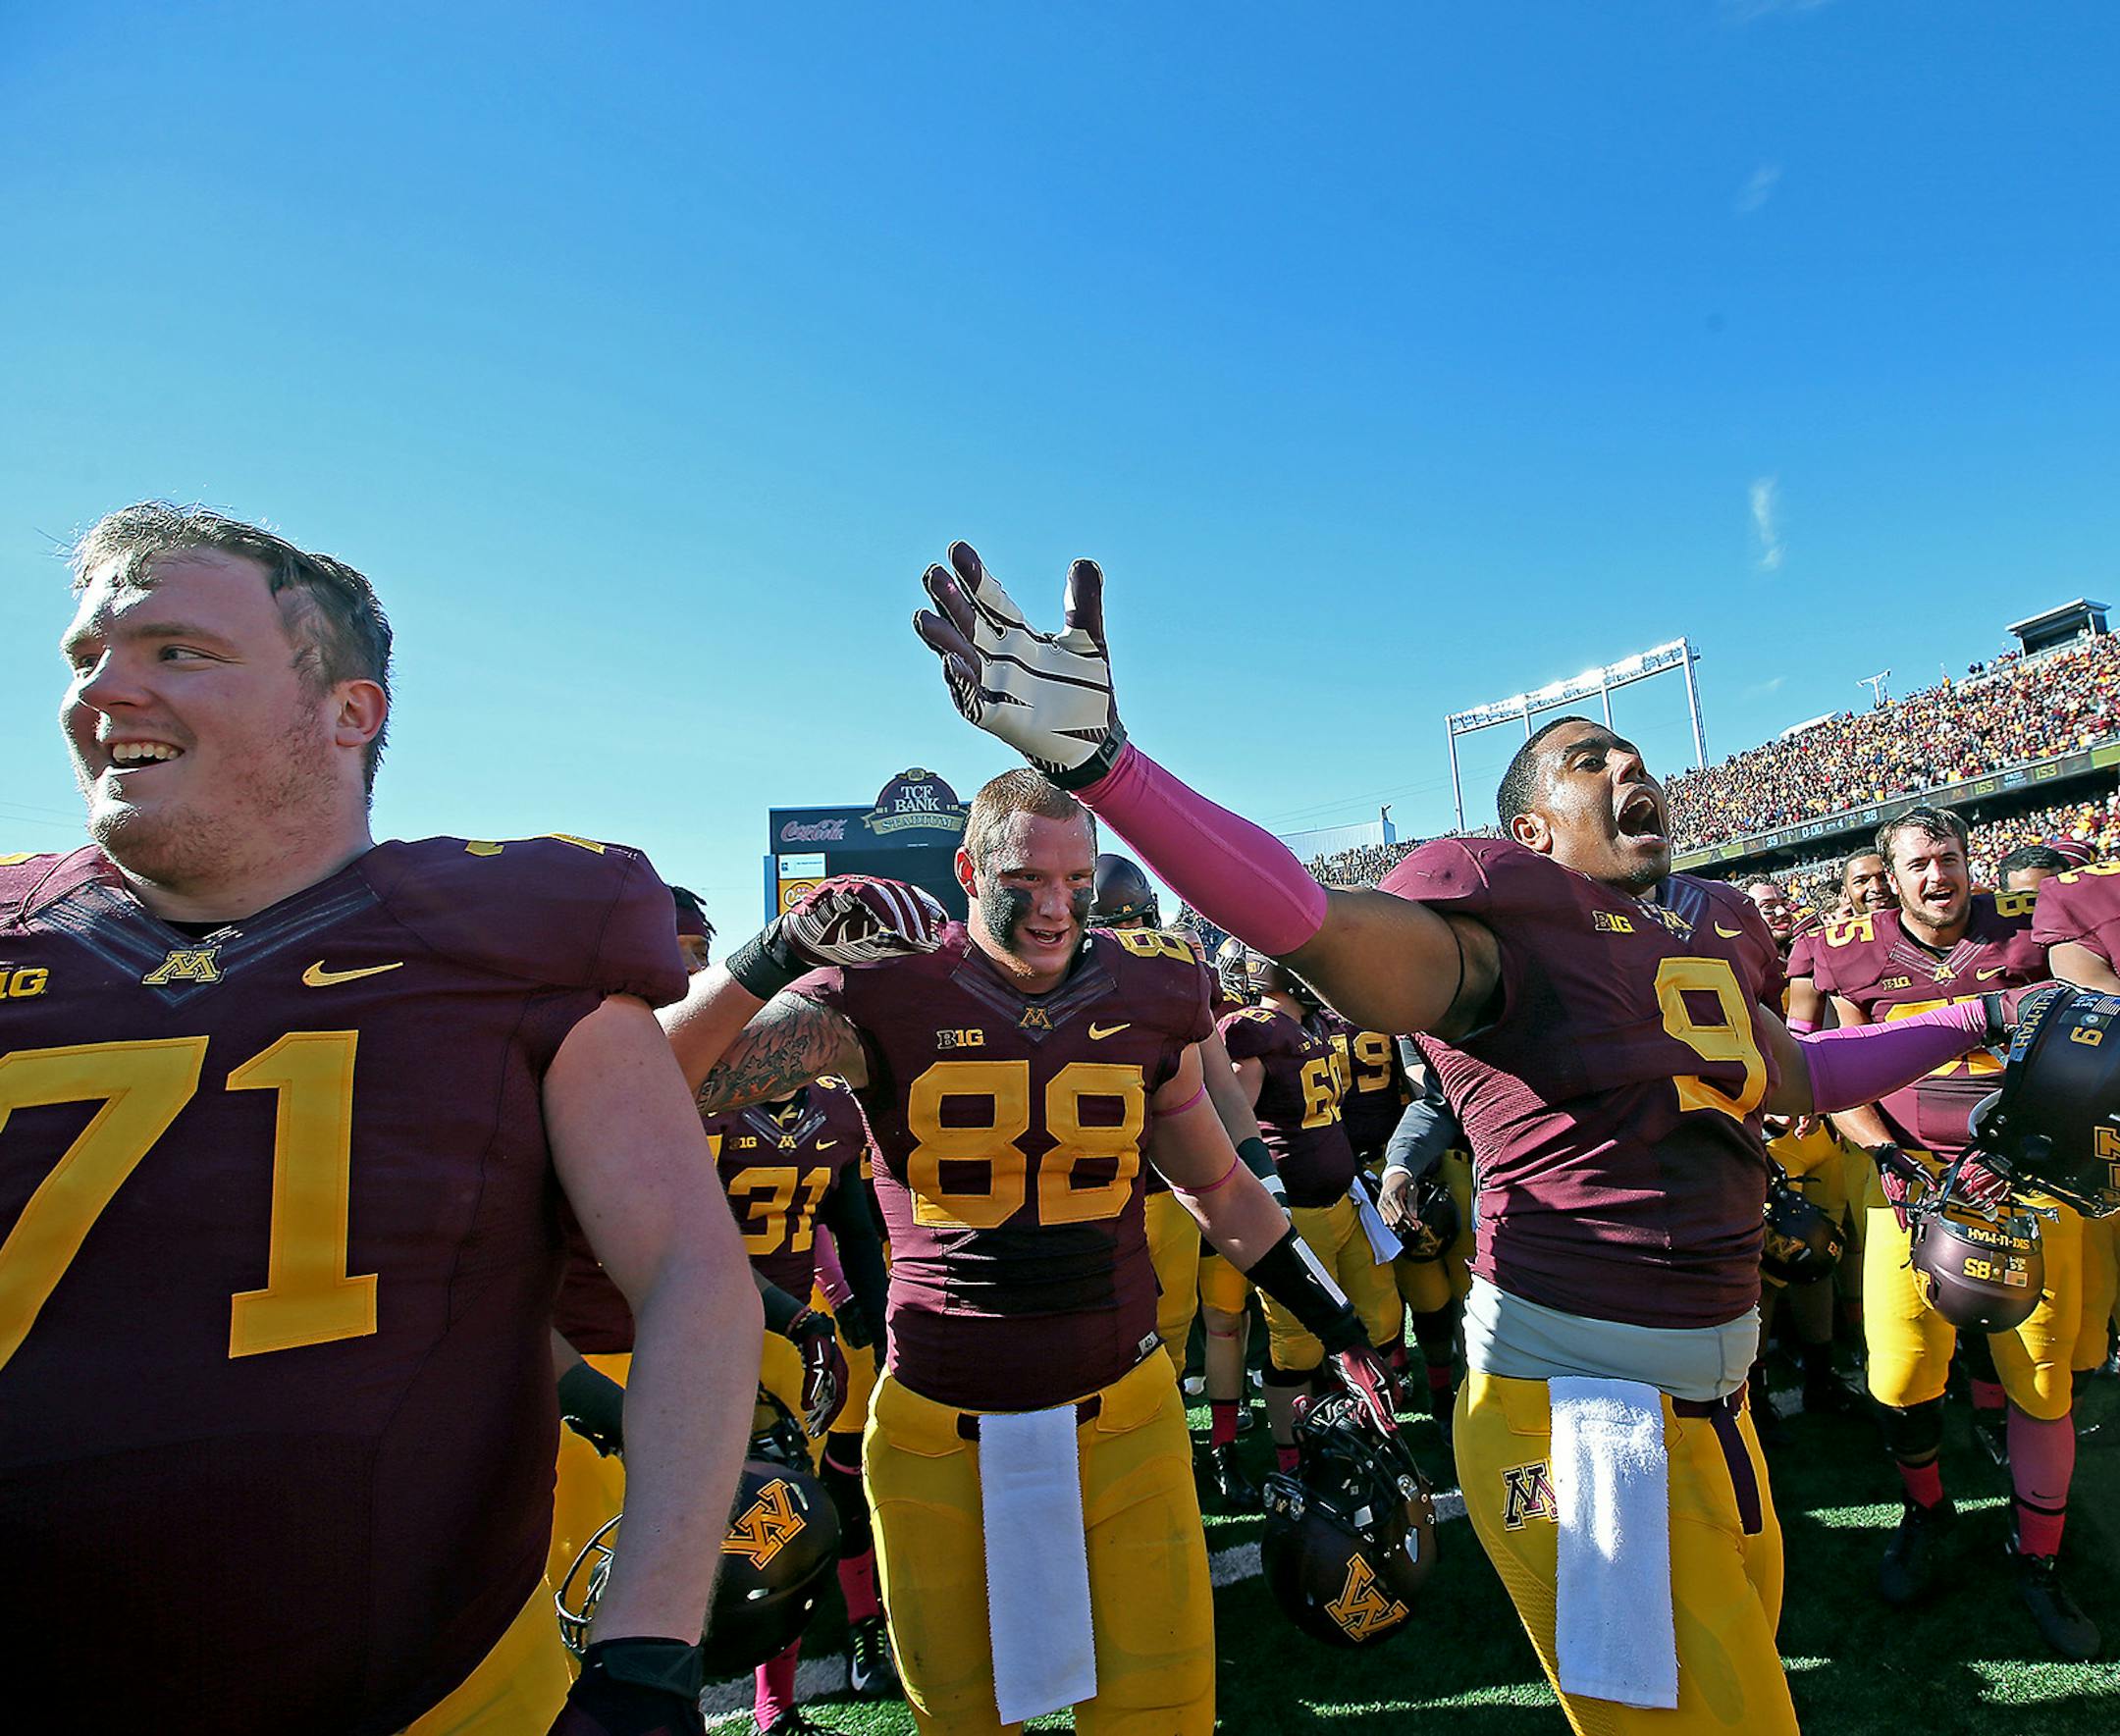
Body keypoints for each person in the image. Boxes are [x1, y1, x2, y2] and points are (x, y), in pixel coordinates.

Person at [913, 542, 2033, 1734]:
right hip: (1587, 1415)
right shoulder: (1505, 910)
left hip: (1717, 1400)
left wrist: (1979, 1013)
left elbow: (1803, 1066)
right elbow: (1307, 916)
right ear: (1531, 832)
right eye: (1588, 761)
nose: (1629, 766)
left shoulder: (1695, 941)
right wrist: (1106, 767)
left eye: (1635, 753)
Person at [0, 503, 760, 1736]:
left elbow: (687, 1265)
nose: (105, 692)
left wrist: (646, 1658)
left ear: (351, 711)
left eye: (176, 651)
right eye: (88, 657)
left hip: (433, 1687)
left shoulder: (518, 927)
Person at [658, 778, 1391, 1735]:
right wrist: (779, 946)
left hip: (1124, 1414)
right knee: (962, 1718)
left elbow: (1216, 1185)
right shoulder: (881, 983)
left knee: (1163, 1712)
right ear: (967, 871)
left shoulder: (1152, 984)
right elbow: (659, 1079)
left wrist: (1335, 1321)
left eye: (1076, 877)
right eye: (1024, 877)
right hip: (937, 1424)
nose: (1055, 905)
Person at [1812, 807, 2095, 1658]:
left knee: (2041, 1381)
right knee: (1899, 1373)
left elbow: (2091, 1037)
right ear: (1888, 876)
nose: (1938, 877)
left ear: (1971, 860)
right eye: (1919, 864)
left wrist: (2021, 1153)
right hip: (1908, 1187)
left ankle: (2037, 1557)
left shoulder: (2033, 930)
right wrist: (1891, 1162)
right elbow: (1835, 1071)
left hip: (2026, 1184)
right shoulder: (1850, 949)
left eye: (1949, 857)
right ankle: (1927, 1508)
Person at [705, 1078, 894, 1733]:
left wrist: (870, 1314)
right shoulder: (704, 1095)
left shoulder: (835, 1109)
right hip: (692, 1330)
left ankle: (774, 1705)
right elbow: (694, 1236)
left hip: (789, 1336)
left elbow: (852, 1227)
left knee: (784, 1511)